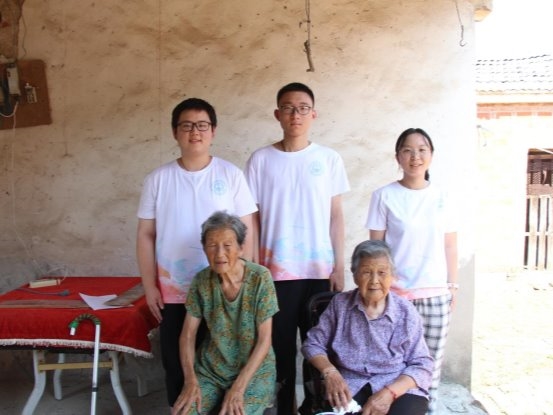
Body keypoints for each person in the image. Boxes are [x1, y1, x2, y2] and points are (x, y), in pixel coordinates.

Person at [136, 98, 257, 408]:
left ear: (213, 131)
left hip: (223, 290)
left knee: (224, 360)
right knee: (177, 364)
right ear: (174, 132)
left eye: (202, 125)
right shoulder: (158, 179)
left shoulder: (230, 175)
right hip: (175, 291)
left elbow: (247, 231)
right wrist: (150, 286)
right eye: (187, 126)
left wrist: (243, 281)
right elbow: (146, 234)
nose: (195, 132)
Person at [245, 82, 350, 415]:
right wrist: (253, 267)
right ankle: (285, 409)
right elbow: (252, 219)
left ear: (313, 114)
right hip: (274, 274)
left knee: (319, 349)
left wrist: (339, 265)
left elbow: (336, 216)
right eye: (288, 108)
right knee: (278, 351)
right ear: (277, 114)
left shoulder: (328, 159)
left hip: (319, 272)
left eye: (303, 108)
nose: (296, 114)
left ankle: (316, 410)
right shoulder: (261, 160)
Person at [365, 127, 458, 414]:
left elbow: (450, 245)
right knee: (391, 364)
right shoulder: (384, 196)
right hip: (395, 296)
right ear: (398, 157)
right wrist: (377, 291)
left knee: (430, 365)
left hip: (434, 295)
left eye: (421, 150)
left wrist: (453, 286)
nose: (415, 156)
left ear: (431, 155)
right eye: (407, 150)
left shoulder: (443, 196)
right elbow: (375, 250)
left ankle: (428, 409)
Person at [301, 240, 433, 415]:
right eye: (366, 272)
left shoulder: (405, 311)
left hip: (396, 384)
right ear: (355, 276)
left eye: (382, 272)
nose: (374, 281)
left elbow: (422, 363)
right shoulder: (340, 305)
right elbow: (312, 344)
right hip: (350, 383)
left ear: (392, 276)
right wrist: (330, 372)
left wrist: (389, 393)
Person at [171, 211, 279, 415]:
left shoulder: (260, 278)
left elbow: (265, 340)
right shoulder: (201, 281)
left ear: (240, 248)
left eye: (227, 245)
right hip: (211, 370)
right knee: (184, 412)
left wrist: (238, 388)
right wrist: (190, 380)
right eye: (212, 245)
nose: (219, 253)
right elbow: (187, 335)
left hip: (254, 372)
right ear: (204, 248)